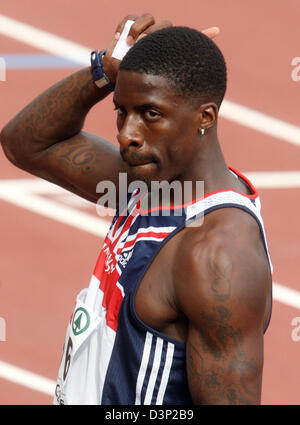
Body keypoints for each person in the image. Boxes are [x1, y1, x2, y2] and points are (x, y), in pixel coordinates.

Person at [0, 13, 272, 405]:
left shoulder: (216, 256)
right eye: (121, 111)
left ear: (205, 117)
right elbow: (25, 144)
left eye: (151, 114)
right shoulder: (143, 182)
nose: (128, 134)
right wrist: (105, 70)